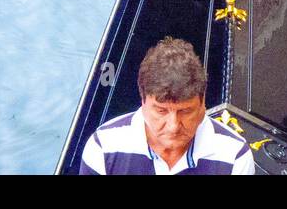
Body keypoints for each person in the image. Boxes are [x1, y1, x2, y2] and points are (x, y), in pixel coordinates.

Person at [80, 37, 255, 175]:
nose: (173, 126)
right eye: (161, 110)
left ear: (203, 105)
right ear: (143, 102)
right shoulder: (104, 147)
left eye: (185, 111)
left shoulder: (234, 155)